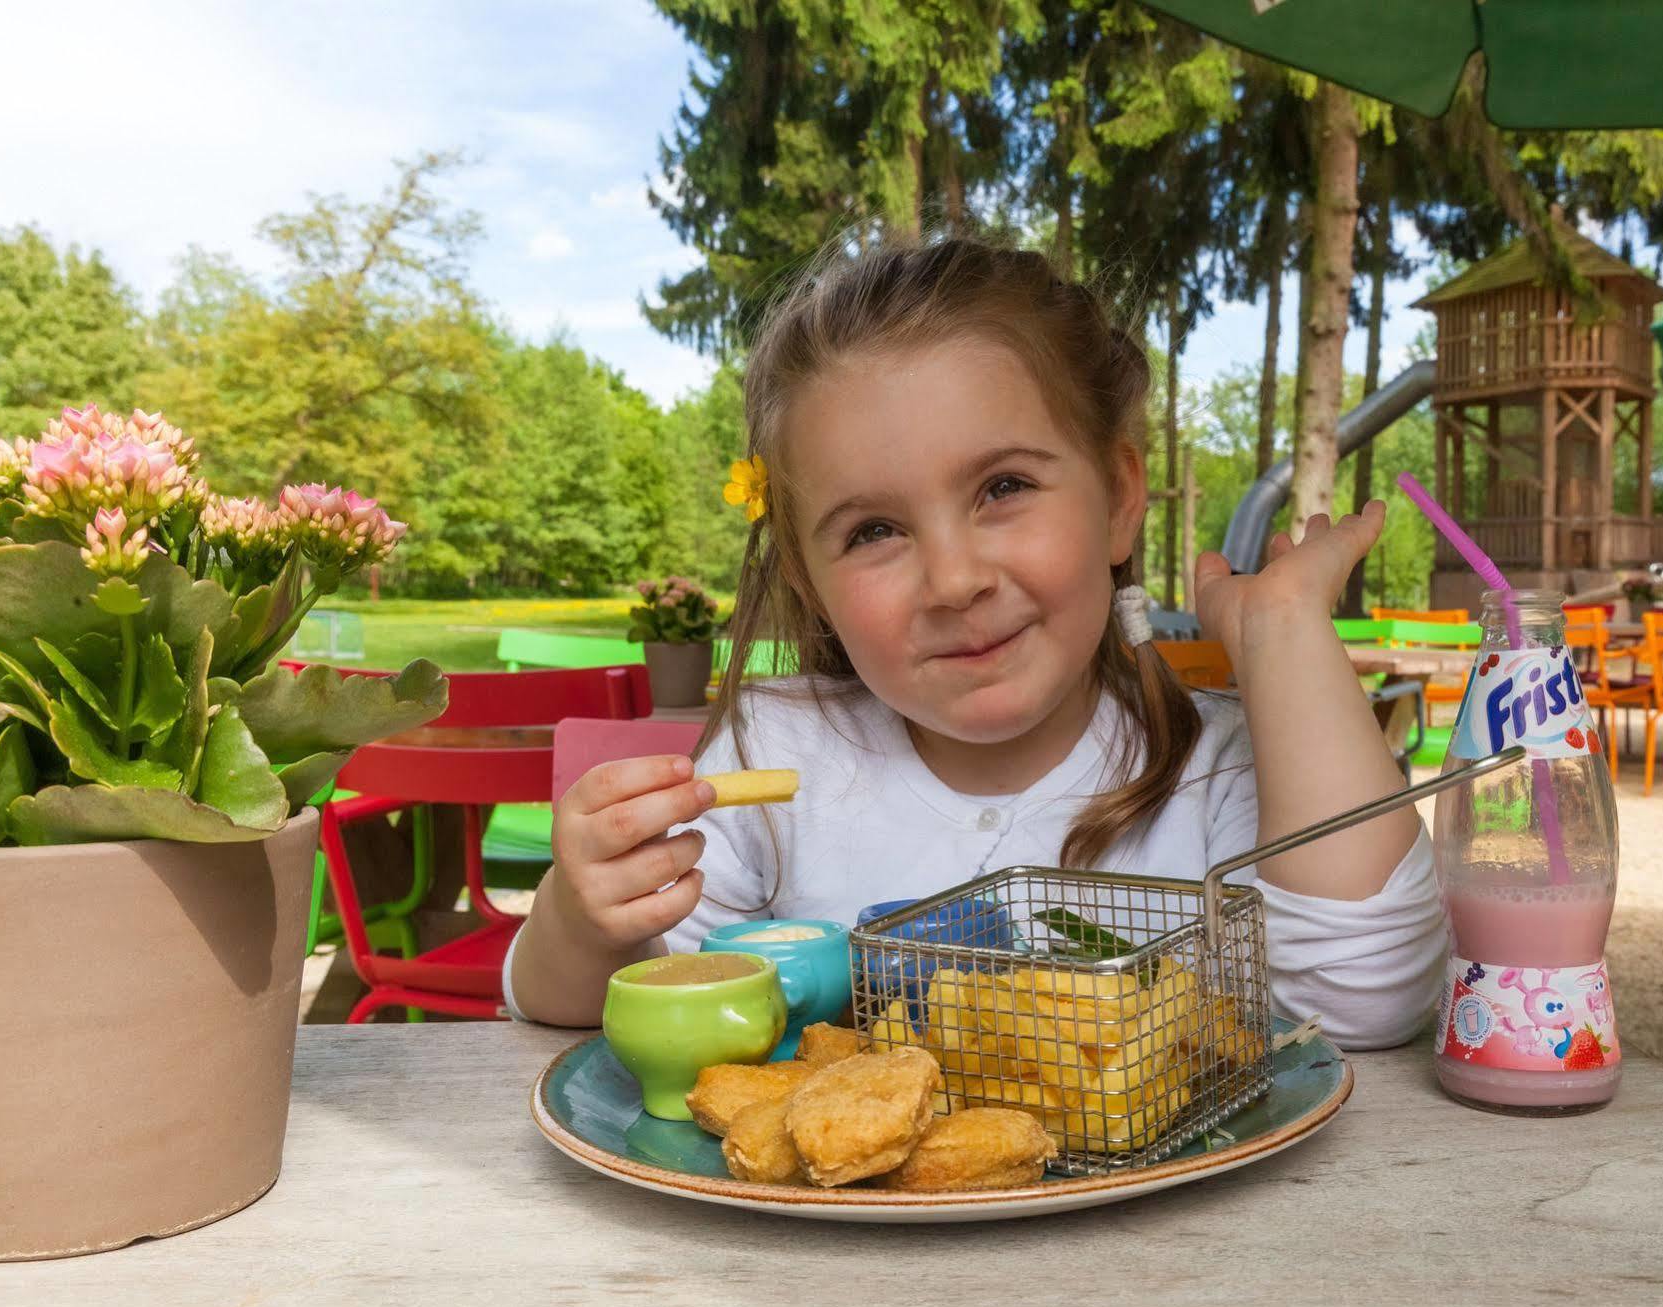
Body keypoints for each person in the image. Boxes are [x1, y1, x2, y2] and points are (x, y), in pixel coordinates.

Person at [507, 238, 1440, 1047]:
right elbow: (583, 1007)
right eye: (872, 531)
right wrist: (585, 924)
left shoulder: (1224, 771)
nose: (954, 581)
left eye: (1002, 488)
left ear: (1117, 499)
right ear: (808, 583)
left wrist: (1282, 634)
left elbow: (1363, 1004)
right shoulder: (776, 756)